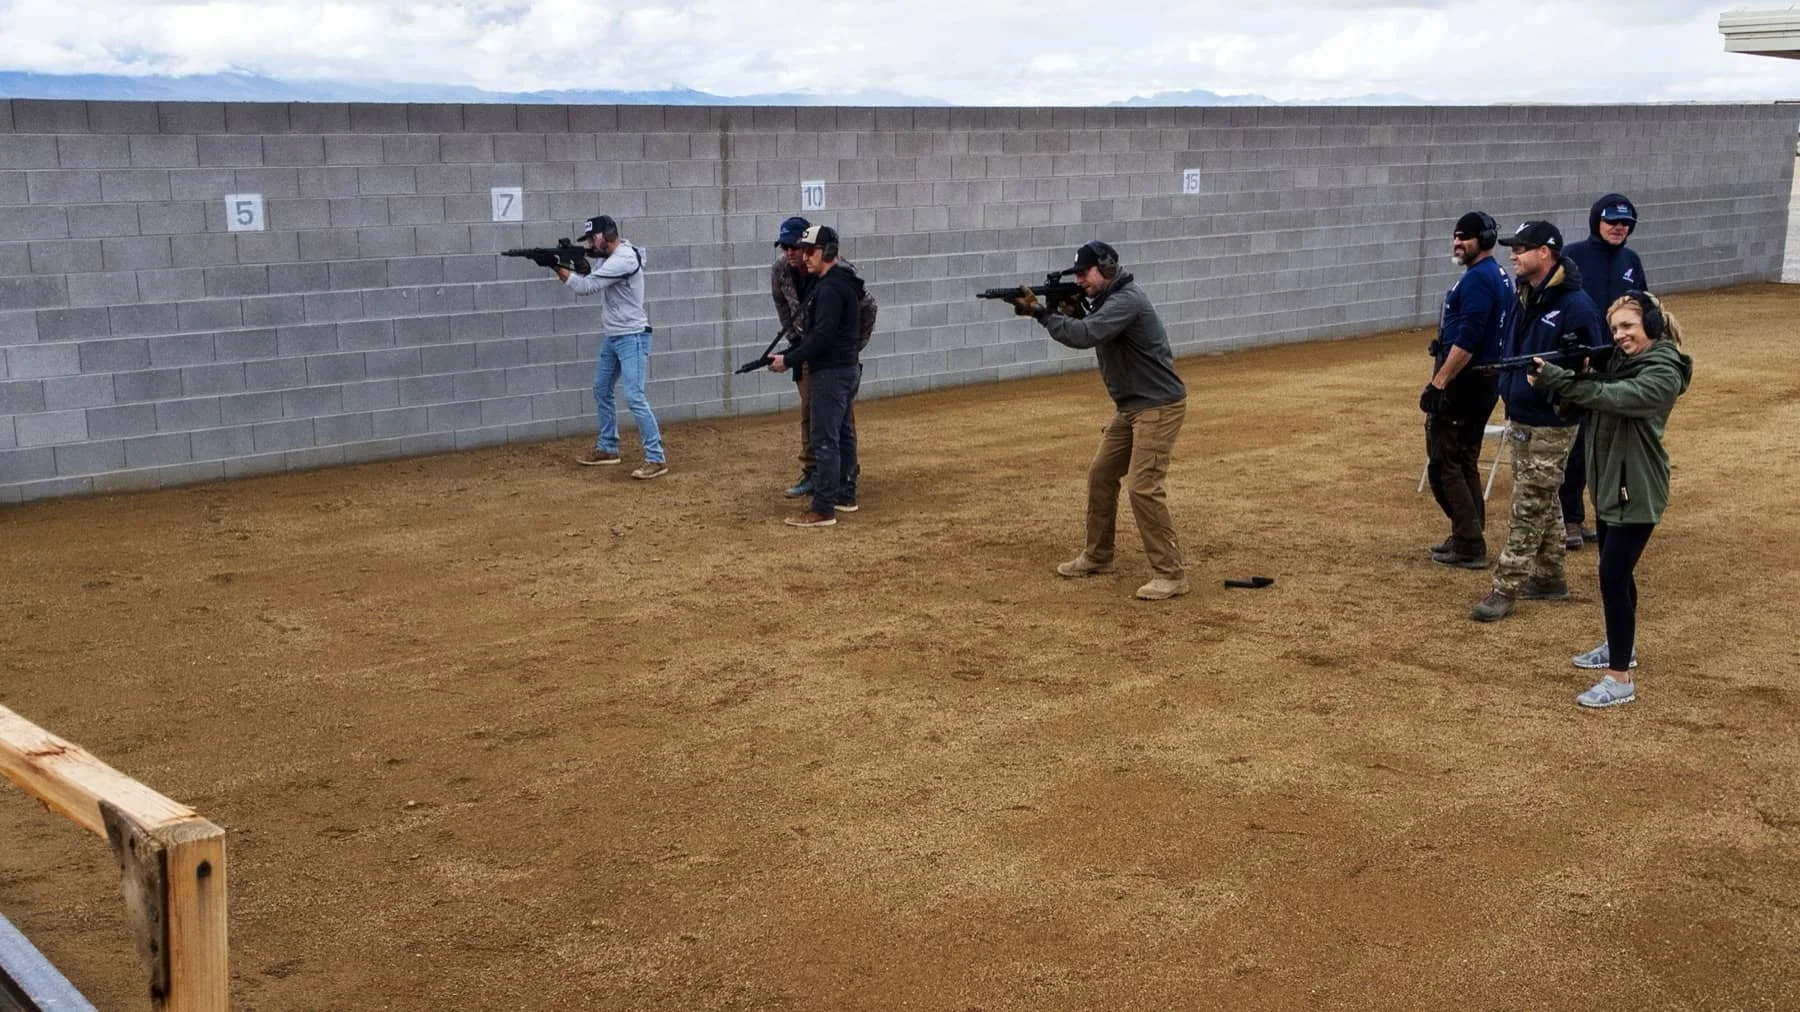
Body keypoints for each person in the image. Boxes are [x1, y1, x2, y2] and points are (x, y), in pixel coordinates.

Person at [1532, 290, 1691, 708]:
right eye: (1615, 327)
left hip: (1636, 488)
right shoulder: (1622, 362)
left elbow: (1613, 397)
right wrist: (1571, 376)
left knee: (1612, 577)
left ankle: (1619, 677)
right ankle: (1623, 646)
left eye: (1628, 327)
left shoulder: (1663, 372)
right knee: (1618, 573)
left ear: (1652, 327)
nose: (1619, 335)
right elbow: (1590, 396)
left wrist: (1561, 378)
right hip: (1611, 486)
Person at [1008, 241, 1190, 601]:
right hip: (1130, 407)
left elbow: (1087, 335)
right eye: (1076, 274)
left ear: (1106, 269)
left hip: (1157, 406)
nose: (1080, 280)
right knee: (1102, 476)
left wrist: (1042, 314)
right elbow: (1089, 326)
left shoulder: (1126, 301)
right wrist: (1071, 312)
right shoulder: (1108, 300)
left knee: (1143, 486)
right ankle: (1098, 555)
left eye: (1084, 273)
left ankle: (1171, 574)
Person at [1470, 221, 1603, 622]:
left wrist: (1552, 385)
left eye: (1522, 248)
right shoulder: (1525, 295)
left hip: (1553, 420)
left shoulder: (1576, 305)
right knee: (1543, 497)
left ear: (1546, 252)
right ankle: (1548, 576)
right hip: (1523, 412)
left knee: (1528, 503)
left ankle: (1505, 586)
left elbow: (1590, 367)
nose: (1513, 254)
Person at [1557, 194, 1651, 550]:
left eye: (1626, 223)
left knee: (1615, 445)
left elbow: (1643, 307)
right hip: (1585, 365)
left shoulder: (1631, 260)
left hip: (1622, 366)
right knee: (1578, 446)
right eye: (1612, 220)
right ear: (1596, 220)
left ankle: (1611, 513)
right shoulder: (1575, 256)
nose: (1619, 228)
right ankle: (1570, 517)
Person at [1422, 211, 1512, 569]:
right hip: (1484, 381)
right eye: (1456, 236)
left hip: (1466, 382)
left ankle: (1469, 541)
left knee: (1446, 460)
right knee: (1465, 459)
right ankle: (1467, 533)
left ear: (1485, 240)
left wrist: (1439, 380)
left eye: (1467, 237)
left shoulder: (1478, 279)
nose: (1458, 243)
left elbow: (1471, 337)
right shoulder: (1497, 276)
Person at [769, 216, 878, 500]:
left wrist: (852, 347)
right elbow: (783, 304)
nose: (791, 253)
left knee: (835, 420)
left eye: (796, 247)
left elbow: (867, 308)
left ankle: (841, 480)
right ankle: (816, 474)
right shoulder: (782, 271)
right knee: (812, 414)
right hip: (808, 350)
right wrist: (795, 343)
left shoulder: (837, 276)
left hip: (835, 357)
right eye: (786, 248)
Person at [563, 214, 666, 479]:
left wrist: (557, 268)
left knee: (634, 396)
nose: (590, 243)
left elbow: (586, 286)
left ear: (608, 234)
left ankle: (656, 458)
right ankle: (608, 447)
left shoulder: (624, 258)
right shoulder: (606, 258)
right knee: (601, 389)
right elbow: (589, 272)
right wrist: (573, 261)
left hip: (632, 336)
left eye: (592, 237)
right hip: (614, 336)